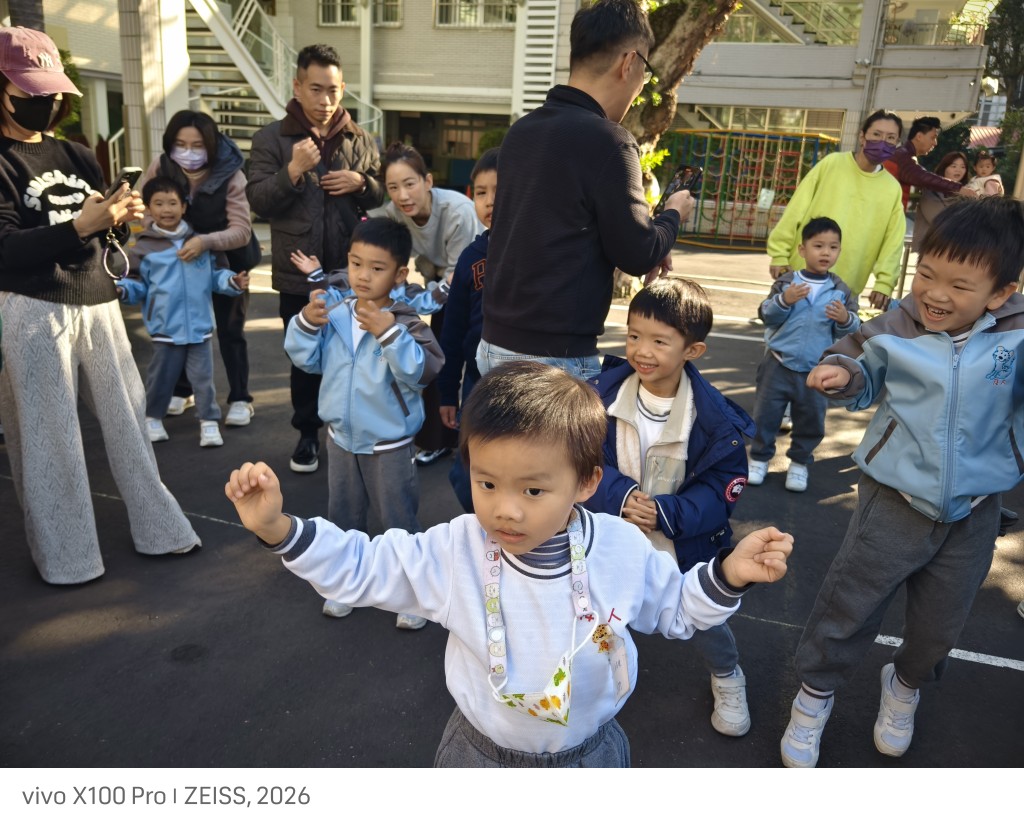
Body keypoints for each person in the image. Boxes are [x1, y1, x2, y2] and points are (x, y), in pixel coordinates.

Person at [225, 361, 794, 767]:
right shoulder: (457, 549)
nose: (505, 509)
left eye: (533, 490)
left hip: (590, 754)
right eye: (487, 483)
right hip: (479, 755)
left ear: (587, 482)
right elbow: (367, 565)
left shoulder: (621, 547)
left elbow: (676, 610)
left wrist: (727, 574)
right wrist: (277, 528)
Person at [779, 196, 1024, 768]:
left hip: (974, 510)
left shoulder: (1017, 335)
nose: (935, 294)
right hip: (893, 499)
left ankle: (905, 684)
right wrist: (841, 373)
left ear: (1001, 293)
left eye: (959, 285)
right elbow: (858, 361)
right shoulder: (898, 324)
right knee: (850, 605)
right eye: (927, 274)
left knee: (941, 625)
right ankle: (814, 695)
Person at [0, 25, 199, 585]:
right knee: (49, 440)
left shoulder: (78, 154)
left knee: (130, 422)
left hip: (99, 301)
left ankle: (161, 529)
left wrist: (117, 221)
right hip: (32, 308)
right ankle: (68, 559)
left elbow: (103, 238)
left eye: (52, 92)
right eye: (30, 92)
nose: (45, 102)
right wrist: (78, 226)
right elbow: (5, 248)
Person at [479, 0, 695, 380]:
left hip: (493, 343)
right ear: (629, 63)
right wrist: (673, 214)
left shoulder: (521, 132)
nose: (640, 85)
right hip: (553, 361)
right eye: (645, 72)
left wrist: (653, 235)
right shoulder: (610, 141)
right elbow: (637, 253)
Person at [585, 279, 758, 737]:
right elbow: (579, 460)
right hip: (609, 535)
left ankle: (727, 674)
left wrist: (666, 513)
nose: (641, 350)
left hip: (680, 546)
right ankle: (595, 676)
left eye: (660, 341)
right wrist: (619, 496)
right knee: (598, 610)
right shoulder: (597, 397)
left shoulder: (714, 419)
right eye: (633, 335)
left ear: (692, 350)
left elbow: (722, 491)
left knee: (703, 619)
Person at [283, 218, 442, 630]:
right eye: (356, 264)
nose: (363, 276)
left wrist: (390, 335)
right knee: (343, 516)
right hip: (340, 438)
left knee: (399, 521)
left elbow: (422, 372)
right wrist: (306, 322)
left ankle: (413, 593)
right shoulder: (336, 314)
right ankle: (345, 584)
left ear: (400, 274)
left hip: (389, 443)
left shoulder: (405, 321)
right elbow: (306, 360)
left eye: (376, 267)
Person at [246, 43, 385, 474]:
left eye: (334, 90)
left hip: (351, 272)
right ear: (297, 86)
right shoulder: (271, 138)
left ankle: (351, 430)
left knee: (355, 352)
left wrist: (362, 182)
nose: (326, 100)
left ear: (343, 88)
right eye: (316, 89)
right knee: (305, 357)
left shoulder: (359, 138)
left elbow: (380, 192)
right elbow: (257, 199)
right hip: (298, 272)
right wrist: (292, 171)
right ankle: (307, 433)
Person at [138, 110, 257, 427]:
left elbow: (241, 230)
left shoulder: (232, 173)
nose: (188, 152)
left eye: (197, 145)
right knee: (179, 328)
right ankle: (183, 389)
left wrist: (204, 242)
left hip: (226, 263)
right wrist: (165, 234)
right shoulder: (161, 165)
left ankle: (240, 399)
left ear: (212, 145)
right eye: (180, 144)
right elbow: (145, 210)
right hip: (179, 265)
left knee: (230, 330)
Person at [115, 177, 249, 448]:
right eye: (159, 203)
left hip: (199, 327)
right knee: (161, 378)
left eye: (172, 203)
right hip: (165, 328)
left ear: (184, 207)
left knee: (203, 380)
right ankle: (152, 418)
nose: (166, 209)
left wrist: (232, 282)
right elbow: (137, 283)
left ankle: (209, 422)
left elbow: (217, 275)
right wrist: (123, 290)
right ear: (149, 209)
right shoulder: (143, 247)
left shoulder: (200, 243)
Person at [371, 141, 483, 466]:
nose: (403, 195)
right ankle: (438, 439)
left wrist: (414, 298)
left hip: (476, 284)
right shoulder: (394, 214)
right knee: (436, 360)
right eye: (393, 187)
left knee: (473, 361)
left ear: (428, 181)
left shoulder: (457, 211)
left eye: (410, 184)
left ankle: (479, 443)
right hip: (438, 284)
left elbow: (457, 278)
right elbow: (379, 245)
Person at [750, 217, 859, 492]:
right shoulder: (788, 282)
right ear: (802, 250)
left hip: (816, 369)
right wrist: (784, 301)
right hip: (778, 363)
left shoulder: (842, 290)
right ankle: (759, 458)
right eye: (818, 245)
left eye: (833, 247)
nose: (826, 253)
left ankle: (799, 463)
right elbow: (766, 315)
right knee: (766, 415)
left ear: (839, 251)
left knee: (811, 419)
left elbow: (851, 330)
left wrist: (845, 319)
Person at [766, 109, 906, 310]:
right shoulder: (832, 164)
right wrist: (779, 253)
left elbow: (893, 241)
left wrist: (885, 282)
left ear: (897, 143)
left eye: (890, 138)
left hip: (846, 288)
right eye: (876, 134)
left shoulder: (892, 188)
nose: (883, 142)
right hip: (800, 277)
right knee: (783, 328)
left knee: (839, 331)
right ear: (862, 136)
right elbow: (796, 209)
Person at [438, 147, 498, 512]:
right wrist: (448, 392)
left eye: (500, 191)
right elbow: (453, 330)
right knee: (465, 474)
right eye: (481, 192)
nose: (490, 201)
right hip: (477, 382)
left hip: (524, 380)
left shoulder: (537, 253)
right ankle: (484, 530)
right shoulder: (470, 257)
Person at [881, 115, 975, 211]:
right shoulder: (903, 157)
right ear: (919, 136)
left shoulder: (903, 155)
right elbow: (924, 178)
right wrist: (959, 189)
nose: (935, 143)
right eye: (933, 138)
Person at [910, 151, 969, 252]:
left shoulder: (967, 194)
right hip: (930, 249)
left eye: (963, 167)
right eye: (953, 166)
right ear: (944, 168)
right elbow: (939, 220)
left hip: (956, 250)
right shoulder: (930, 190)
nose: (958, 170)